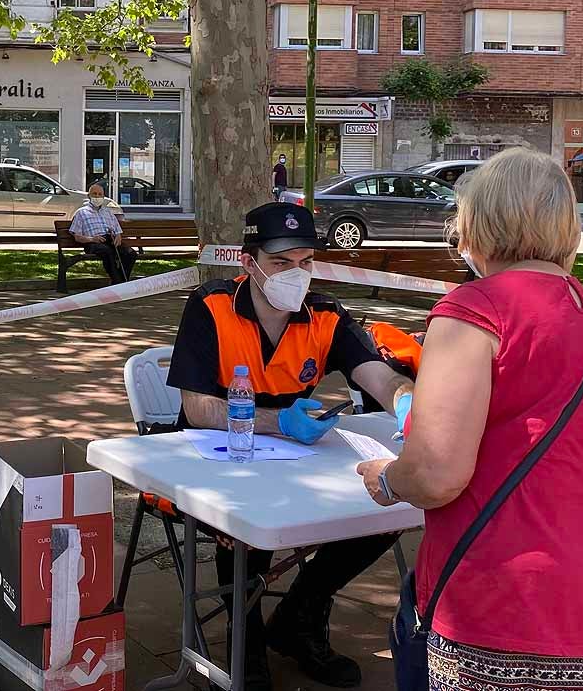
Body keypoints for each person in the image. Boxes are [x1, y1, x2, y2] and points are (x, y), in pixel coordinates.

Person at [357, 149, 583, 691]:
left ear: (475, 223)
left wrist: (386, 476)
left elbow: (434, 474)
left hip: (505, 604)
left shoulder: (474, 309)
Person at [167, 202, 414, 690]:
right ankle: (247, 638)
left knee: (388, 506)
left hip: (294, 457)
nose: (296, 275)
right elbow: (198, 410)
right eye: (282, 263)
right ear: (248, 261)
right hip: (213, 453)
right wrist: (278, 421)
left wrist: (408, 402)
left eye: (305, 262)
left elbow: (379, 376)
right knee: (249, 520)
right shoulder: (210, 306)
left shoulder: (325, 314)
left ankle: (301, 616)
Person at [69, 184, 137, 284]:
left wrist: (118, 236)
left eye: (100, 194)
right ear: (89, 196)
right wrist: (92, 239)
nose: (97, 197)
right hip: (93, 242)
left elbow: (117, 231)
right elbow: (77, 237)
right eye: (94, 194)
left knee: (130, 253)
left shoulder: (108, 212)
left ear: (103, 197)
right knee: (107, 252)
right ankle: (118, 282)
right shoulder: (81, 213)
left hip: (110, 240)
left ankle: (119, 282)